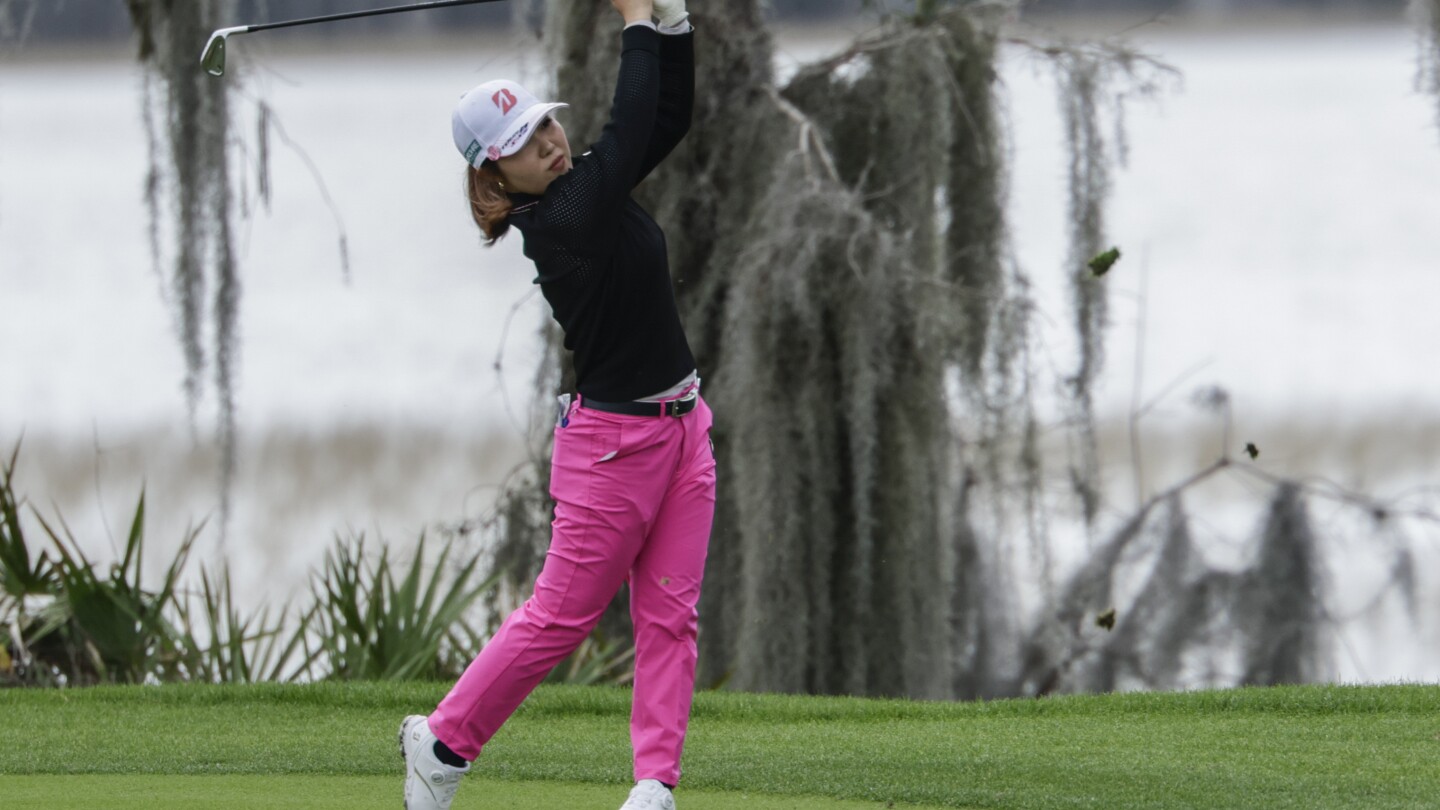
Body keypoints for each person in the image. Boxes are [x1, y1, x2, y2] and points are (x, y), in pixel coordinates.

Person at [399, 1, 713, 809]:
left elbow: (664, 119)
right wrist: (635, 18)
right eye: (523, 147)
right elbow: (634, 113)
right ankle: (440, 745)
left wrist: (671, 25)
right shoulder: (562, 220)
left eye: (544, 127)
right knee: (560, 619)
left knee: (671, 618)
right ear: (494, 178)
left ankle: (654, 785)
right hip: (613, 450)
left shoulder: (582, 191)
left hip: (685, 433)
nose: (548, 144)